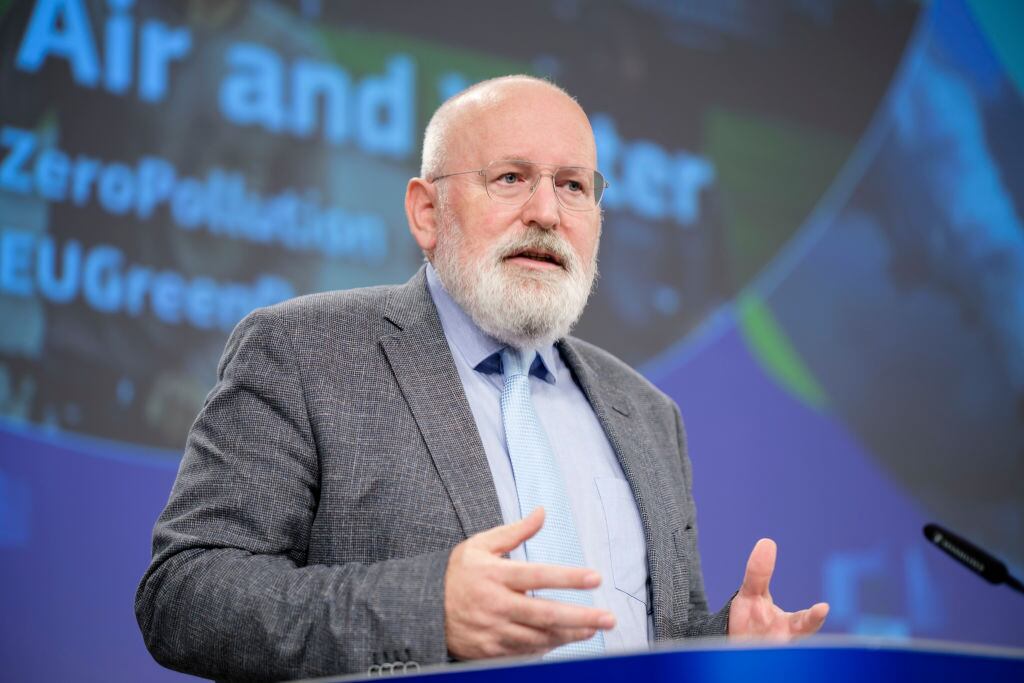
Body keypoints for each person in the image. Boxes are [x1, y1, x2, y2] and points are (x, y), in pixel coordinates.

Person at [135, 75, 828, 681]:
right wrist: (425, 609)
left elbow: (648, 635)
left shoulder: (647, 414)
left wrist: (724, 647)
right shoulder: (303, 352)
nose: (547, 213)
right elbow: (185, 596)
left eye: (573, 186)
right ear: (426, 212)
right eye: (510, 178)